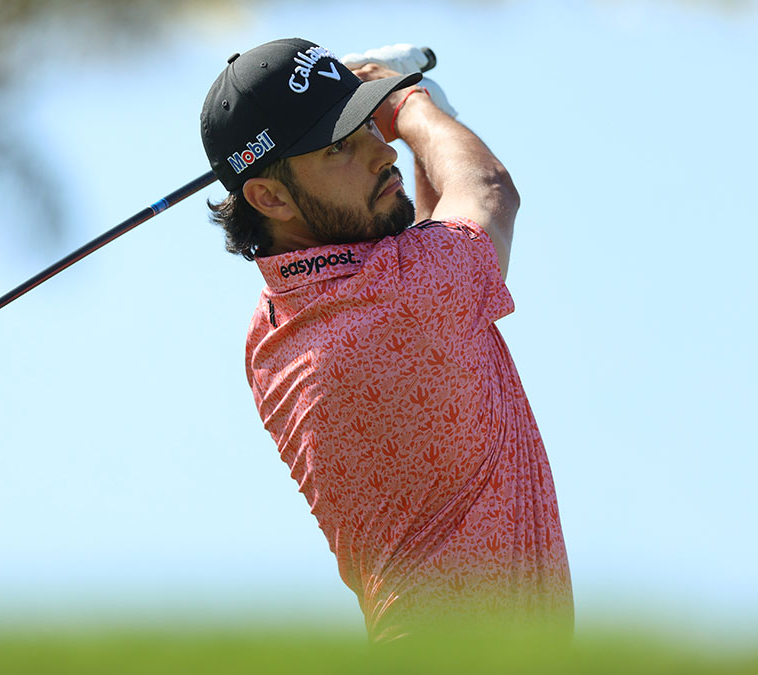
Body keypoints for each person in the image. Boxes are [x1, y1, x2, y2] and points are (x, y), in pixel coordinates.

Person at [199, 38, 573, 642]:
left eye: (369, 125)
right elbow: (488, 191)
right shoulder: (404, 299)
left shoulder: (272, 333)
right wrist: (411, 106)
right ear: (268, 197)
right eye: (340, 146)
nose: (383, 153)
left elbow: (431, 255)